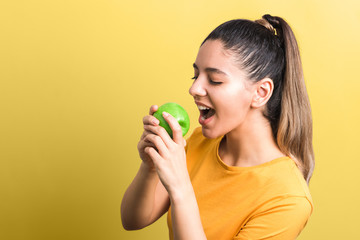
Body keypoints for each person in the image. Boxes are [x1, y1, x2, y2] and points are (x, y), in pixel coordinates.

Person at [121, 14, 314, 240]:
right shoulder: (198, 142)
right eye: (195, 76)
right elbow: (133, 220)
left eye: (214, 80)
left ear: (260, 93)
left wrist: (181, 187)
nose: (194, 89)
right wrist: (150, 166)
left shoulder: (287, 199)